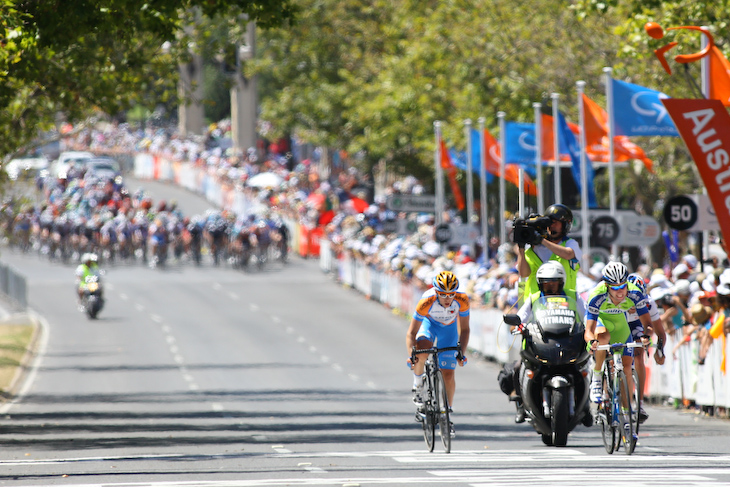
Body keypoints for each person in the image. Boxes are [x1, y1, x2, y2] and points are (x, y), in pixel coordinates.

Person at [499, 261, 591, 425]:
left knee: (586, 365)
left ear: (561, 282)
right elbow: (521, 316)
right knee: (517, 368)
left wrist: (589, 327)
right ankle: (521, 405)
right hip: (540, 341)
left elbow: (587, 315)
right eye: (547, 284)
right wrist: (518, 325)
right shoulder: (534, 298)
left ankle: (586, 406)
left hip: (567, 341)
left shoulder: (573, 295)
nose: (551, 288)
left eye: (554, 284)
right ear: (540, 284)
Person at [584, 262, 666, 411]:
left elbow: (648, 324)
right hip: (602, 320)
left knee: (627, 367)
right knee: (603, 337)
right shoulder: (597, 295)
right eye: (615, 288)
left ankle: (627, 413)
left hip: (620, 322)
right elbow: (588, 330)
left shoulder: (635, 293)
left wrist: (646, 336)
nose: (620, 291)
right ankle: (596, 377)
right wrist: (591, 342)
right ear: (607, 285)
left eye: (623, 286)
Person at [406, 270, 470, 438]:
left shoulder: (462, 300)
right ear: (436, 292)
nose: (448, 299)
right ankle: (418, 384)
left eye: (451, 294)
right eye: (443, 295)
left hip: (448, 330)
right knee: (422, 351)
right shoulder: (427, 301)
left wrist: (461, 353)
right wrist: (412, 355)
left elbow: (464, 329)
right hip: (429, 325)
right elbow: (411, 333)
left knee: (448, 374)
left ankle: (446, 414)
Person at [515, 204, 582, 300]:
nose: (551, 226)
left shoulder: (570, 243)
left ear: (565, 225)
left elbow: (568, 254)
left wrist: (541, 240)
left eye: (555, 223)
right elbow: (524, 273)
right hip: (537, 304)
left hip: (565, 302)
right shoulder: (534, 249)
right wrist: (521, 248)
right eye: (549, 223)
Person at [625, 274, 667, 423]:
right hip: (618, 323)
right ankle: (606, 392)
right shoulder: (616, 299)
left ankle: (639, 402)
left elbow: (659, 331)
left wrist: (660, 349)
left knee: (638, 354)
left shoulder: (649, 303)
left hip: (637, 326)